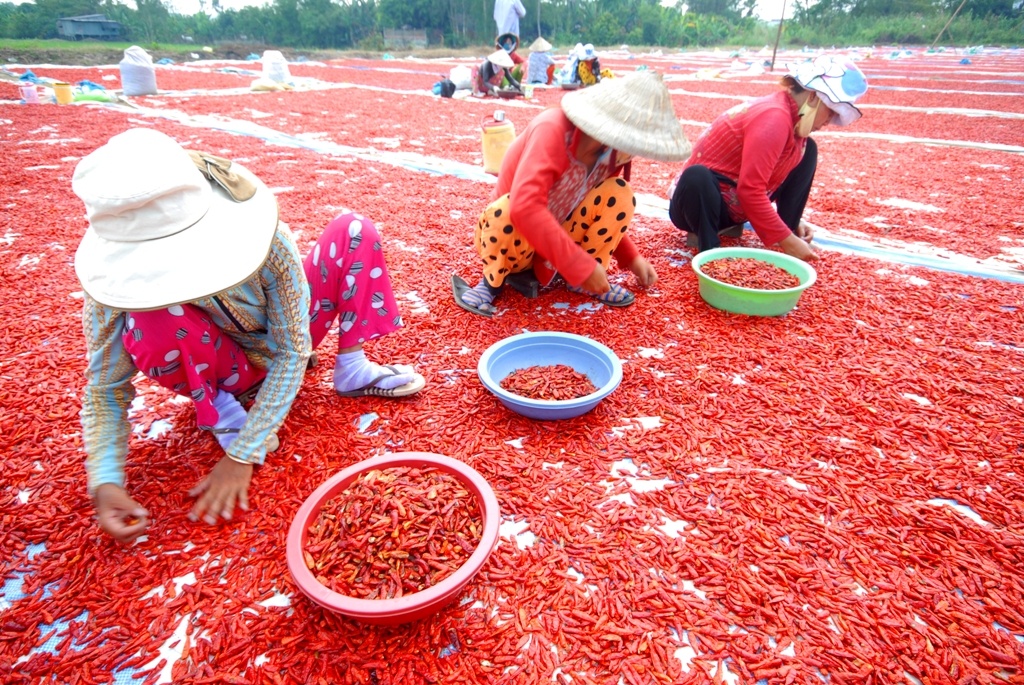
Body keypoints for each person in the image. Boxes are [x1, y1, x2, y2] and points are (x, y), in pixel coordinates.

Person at [73, 128, 425, 543]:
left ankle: (352, 366)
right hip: (220, 363)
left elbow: (293, 349)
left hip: (284, 342)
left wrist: (244, 453)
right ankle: (219, 401)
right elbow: (105, 389)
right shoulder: (113, 287)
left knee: (354, 229)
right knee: (149, 318)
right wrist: (106, 481)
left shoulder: (262, 238)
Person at [452, 71, 691, 316]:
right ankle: (491, 284)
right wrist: (579, 266)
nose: (631, 154)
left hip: (559, 235)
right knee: (506, 209)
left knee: (619, 193)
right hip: (513, 244)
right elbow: (525, 207)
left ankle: (578, 282)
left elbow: (601, 204)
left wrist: (631, 259)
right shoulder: (552, 129)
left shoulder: (609, 155)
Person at [668, 55, 868, 261]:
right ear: (813, 98)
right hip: (695, 206)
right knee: (697, 176)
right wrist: (787, 241)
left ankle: (788, 224)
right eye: (831, 112)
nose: (829, 121)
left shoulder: (793, 125)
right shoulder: (774, 117)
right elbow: (750, 190)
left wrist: (788, 228)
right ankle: (709, 250)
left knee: (808, 152)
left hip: (733, 206)